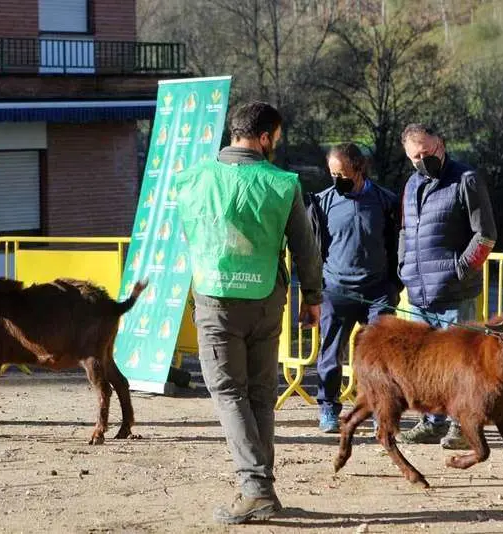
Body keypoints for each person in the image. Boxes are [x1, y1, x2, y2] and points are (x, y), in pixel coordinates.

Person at [176, 101, 322, 524]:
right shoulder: (282, 183)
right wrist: (312, 297)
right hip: (265, 300)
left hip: (215, 298)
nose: (275, 144)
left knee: (228, 394)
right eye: (275, 137)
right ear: (263, 137)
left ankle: (255, 489)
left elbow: (192, 233)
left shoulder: (193, 179)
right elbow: (305, 248)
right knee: (259, 394)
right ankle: (262, 487)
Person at [395, 123, 497, 449]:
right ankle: (432, 422)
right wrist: (404, 267)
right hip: (419, 292)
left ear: (441, 143)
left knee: (460, 365)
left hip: (455, 291)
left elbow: (485, 235)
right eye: (416, 156)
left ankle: (464, 427)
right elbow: (405, 231)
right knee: (425, 365)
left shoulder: (466, 179)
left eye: (427, 152)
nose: (423, 160)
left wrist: (460, 270)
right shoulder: (412, 185)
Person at [306, 143, 401, 433]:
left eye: (343, 173)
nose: (337, 180)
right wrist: (317, 287)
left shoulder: (386, 201)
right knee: (330, 353)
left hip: (377, 291)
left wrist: (393, 284)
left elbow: (396, 246)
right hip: (337, 289)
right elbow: (313, 249)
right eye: (333, 174)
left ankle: (379, 409)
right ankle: (328, 409)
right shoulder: (322, 203)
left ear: (360, 169)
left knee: (380, 355)